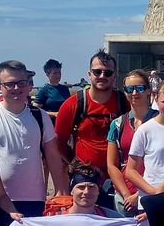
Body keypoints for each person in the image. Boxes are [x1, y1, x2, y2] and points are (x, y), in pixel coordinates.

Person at [0, 60, 69, 217]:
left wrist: (61, 191)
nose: (16, 88)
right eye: (10, 84)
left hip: (34, 198)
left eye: (21, 83)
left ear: (28, 85)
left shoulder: (40, 117)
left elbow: (52, 156)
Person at [54, 51, 128, 188]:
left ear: (114, 77)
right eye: (97, 72)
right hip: (84, 179)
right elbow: (59, 141)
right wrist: (75, 163)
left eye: (108, 73)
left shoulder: (124, 103)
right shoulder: (73, 104)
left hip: (119, 177)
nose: (102, 76)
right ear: (89, 74)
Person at [106, 70, 157, 215]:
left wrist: (139, 196)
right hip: (124, 198)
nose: (134, 93)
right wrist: (126, 195)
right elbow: (111, 165)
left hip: (153, 195)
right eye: (129, 89)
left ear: (148, 90)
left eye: (140, 88)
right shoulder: (117, 124)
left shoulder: (161, 122)